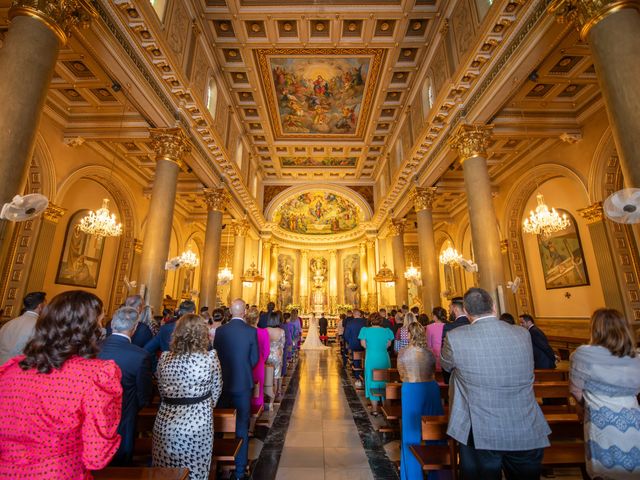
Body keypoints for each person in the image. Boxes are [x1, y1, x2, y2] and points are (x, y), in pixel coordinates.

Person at [0, 290, 122, 478]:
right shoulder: (94, 375)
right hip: (58, 473)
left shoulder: (10, 371)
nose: (101, 327)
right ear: (88, 328)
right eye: (99, 321)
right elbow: (97, 456)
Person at [441, 288, 550, 480]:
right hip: (525, 425)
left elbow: (447, 367)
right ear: (493, 306)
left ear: (465, 311)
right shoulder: (522, 334)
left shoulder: (456, 337)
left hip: (479, 429)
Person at [569, 308, 640, 480]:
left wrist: (584, 404)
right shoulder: (635, 356)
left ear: (595, 329)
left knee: (603, 469)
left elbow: (575, 389)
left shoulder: (583, 354)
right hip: (632, 416)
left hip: (600, 417)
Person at [153, 313, 222, 480]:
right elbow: (217, 389)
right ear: (202, 333)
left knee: (165, 472)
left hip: (166, 422)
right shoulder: (209, 358)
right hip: (198, 422)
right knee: (196, 471)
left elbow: (162, 390)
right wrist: (202, 405)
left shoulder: (164, 358)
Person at [98, 306, 152, 466]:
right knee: (120, 461)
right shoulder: (139, 355)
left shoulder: (92, 348)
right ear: (134, 328)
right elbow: (144, 394)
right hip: (124, 415)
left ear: (112, 324)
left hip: (91, 416)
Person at [213, 299, 259, 480]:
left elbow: (215, 356)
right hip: (242, 384)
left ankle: (217, 466)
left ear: (230, 312)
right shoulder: (250, 331)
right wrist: (243, 369)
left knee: (219, 425)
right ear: (244, 312)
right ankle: (240, 470)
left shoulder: (220, 331)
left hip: (222, 384)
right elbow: (254, 358)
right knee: (241, 425)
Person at [397, 322, 443, 480]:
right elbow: (433, 370)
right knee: (434, 428)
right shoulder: (429, 352)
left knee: (412, 430)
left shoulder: (403, 352)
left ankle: (412, 474)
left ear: (410, 335)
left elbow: (401, 373)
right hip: (431, 388)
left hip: (411, 389)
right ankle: (437, 473)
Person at [358, 313, 394, 415]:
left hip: (371, 358)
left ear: (370, 320)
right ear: (381, 320)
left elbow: (363, 344)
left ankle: (374, 409)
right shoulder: (387, 331)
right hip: (383, 357)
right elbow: (388, 344)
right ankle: (386, 407)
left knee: (372, 380)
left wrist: (372, 348)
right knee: (385, 381)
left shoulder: (365, 330)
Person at [0, 291, 46, 365]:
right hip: (18, 369)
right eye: (45, 304)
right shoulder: (40, 326)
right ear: (40, 306)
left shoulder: (8, 323)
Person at [145, 300, 195, 364]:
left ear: (179, 312)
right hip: (189, 370)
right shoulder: (197, 330)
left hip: (167, 369)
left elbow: (147, 349)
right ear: (193, 313)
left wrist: (157, 364)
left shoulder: (165, 328)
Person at [246, 306, 270, 410]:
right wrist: (262, 360)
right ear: (258, 319)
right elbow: (266, 350)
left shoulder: (244, 331)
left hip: (246, 363)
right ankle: (258, 405)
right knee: (258, 386)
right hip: (259, 362)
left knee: (246, 384)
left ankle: (247, 405)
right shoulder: (263, 332)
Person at [441, 296, 469, 384]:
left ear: (455, 309)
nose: (448, 311)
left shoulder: (449, 328)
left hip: (456, 377)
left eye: (449, 307)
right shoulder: (473, 323)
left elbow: (446, 357)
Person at [266, 311, 286, 406]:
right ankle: (275, 395)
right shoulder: (281, 331)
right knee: (276, 376)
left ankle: (266, 393)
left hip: (267, 354)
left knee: (266, 373)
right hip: (277, 354)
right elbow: (282, 344)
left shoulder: (265, 330)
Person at [344, 309, 367, 386]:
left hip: (354, 344)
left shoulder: (350, 323)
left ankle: (357, 378)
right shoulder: (365, 322)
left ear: (353, 314)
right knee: (364, 359)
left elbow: (346, 335)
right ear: (360, 314)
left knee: (356, 361)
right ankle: (364, 376)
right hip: (365, 345)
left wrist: (349, 341)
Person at [426, 306, 447, 371]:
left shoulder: (429, 327)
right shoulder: (448, 325)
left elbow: (429, 345)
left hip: (435, 358)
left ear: (435, 316)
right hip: (447, 357)